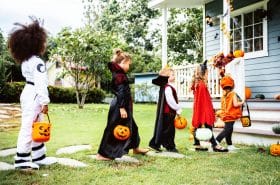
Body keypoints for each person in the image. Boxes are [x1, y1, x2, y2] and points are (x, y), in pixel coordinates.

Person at [8, 18, 57, 170]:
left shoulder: (26, 60)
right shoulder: (37, 62)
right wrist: (44, 102)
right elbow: (41, 83)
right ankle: (21, 160)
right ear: (36, 42)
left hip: (29, 92)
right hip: (35, 94)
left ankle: (38, 156)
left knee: (37, 125)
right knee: (29, 126)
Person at [96, 49, 149, 160]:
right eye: (129, 64)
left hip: (123, 105)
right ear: (123, 62)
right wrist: (122, 108)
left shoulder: (120, 73)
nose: (129, 67)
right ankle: (102, 154)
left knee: (133, 127)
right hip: (120, 106)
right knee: (114, 129)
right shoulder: (120, 75)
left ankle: (135, 147)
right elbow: (120, 92)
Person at [190, 61, 228, 152]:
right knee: (208, 126)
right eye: (207, 73)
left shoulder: (197, 84)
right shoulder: (202, 85)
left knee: (198, 126)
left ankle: (197, 144)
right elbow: (204, 100)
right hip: (204, 109)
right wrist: (209, 111)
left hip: (199, 109)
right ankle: (214, 145)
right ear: (203, 74)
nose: (208, 75)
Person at [149, 66, 182, 152]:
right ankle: (170, 146)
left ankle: (158, 144)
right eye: (172, 75)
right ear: (166, 77)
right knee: (169, 131)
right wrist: (177, 107)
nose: (174, 76)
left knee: (164, 129)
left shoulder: (165, 87)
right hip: (168, 113)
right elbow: (170, 101)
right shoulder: (168, 88)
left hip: (167, 113)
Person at [216, 75, 244, 151]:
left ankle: (230, 145)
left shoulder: (224, 95)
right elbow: (235, 104)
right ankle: (216, 141)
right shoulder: (233, 94)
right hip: (231, 115)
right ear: (232, 85)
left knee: (229, 130)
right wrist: (242, 102)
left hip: (226, 115)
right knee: (227, 130)